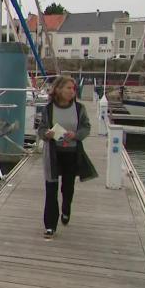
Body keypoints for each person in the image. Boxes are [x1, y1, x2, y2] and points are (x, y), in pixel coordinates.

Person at [37, 75, 98, 239]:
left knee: (68, 188)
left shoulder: (79, 108)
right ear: (58, 89)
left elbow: (86, 127)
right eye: (68, 88)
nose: (72, 91)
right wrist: (47, 134)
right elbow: (41, 129)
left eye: (73, 88)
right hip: (53, 154)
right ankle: (50, 226)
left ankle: (66, 209)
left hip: (72, 153)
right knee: (51, 189)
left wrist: (76, 135)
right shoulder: (48, 109)